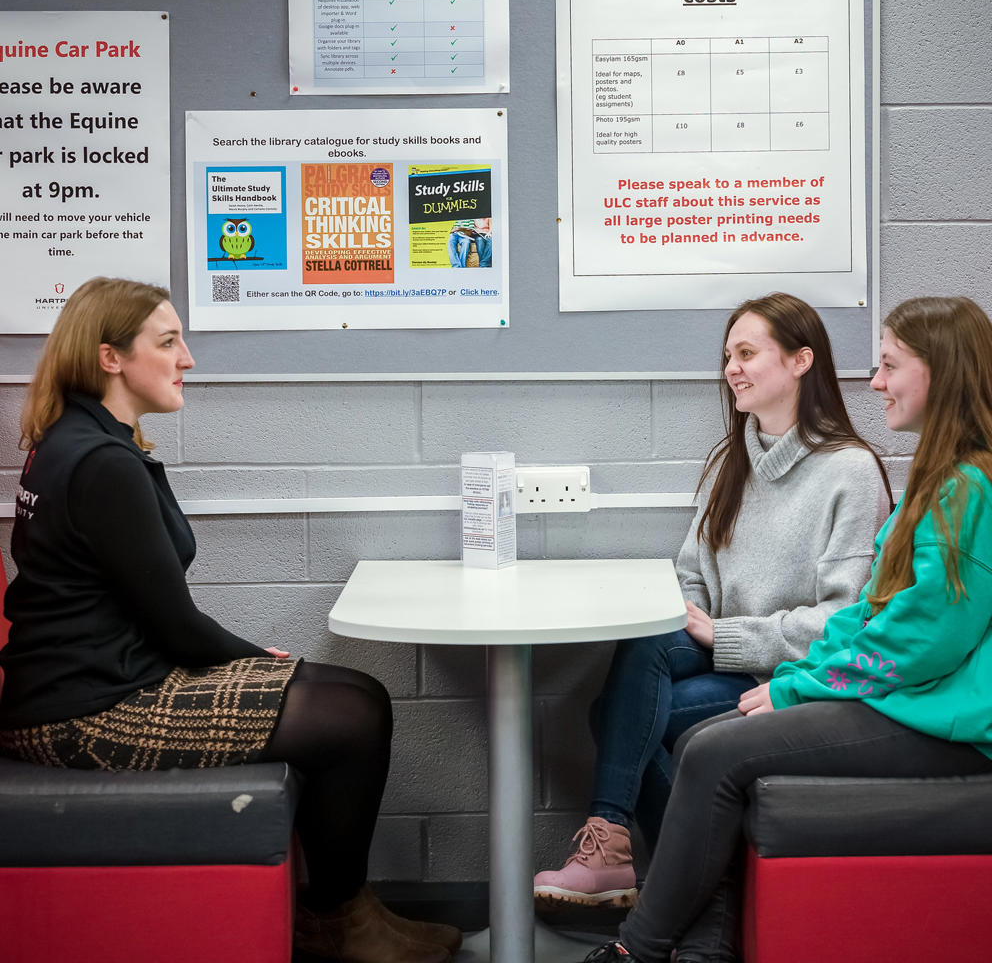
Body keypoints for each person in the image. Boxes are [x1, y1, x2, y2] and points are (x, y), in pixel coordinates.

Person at [0, 277, 462, 963]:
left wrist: (253, 661)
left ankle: (343, 909)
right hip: (85, 714)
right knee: (353, 717)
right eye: (168, 342)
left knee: (359, 694)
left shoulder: (77, 440)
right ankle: (339, 921)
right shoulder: (102, 462)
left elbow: (152, 614)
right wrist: (259, 659)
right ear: (110, 358)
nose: (187, 357)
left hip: (90, 684)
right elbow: (177, 627)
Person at [579, 294, 992, 963]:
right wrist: (803, 678)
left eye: (889, 366)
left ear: (941, 373)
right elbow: (873, 612)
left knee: (709, 748)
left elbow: (923, 640)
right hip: (906, 693)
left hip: (944, 715)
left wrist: (796, 685)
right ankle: (702, 943)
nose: (877, 382)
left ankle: (636, 950)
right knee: (685, 721)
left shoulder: (968, 488)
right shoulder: (937, 480)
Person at [535, 292, 892, 909]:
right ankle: (630, 850)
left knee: (615, 716)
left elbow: (845, 622)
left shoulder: (849, 471)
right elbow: (691, 575)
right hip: (720, 655)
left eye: (748, 353)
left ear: (802, 360)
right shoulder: (734, 460)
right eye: (729, 355)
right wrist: (695, 623)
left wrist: (725, 637)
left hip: (791, 675)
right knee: (645, 639)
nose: (732, 368)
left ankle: (668, 874)